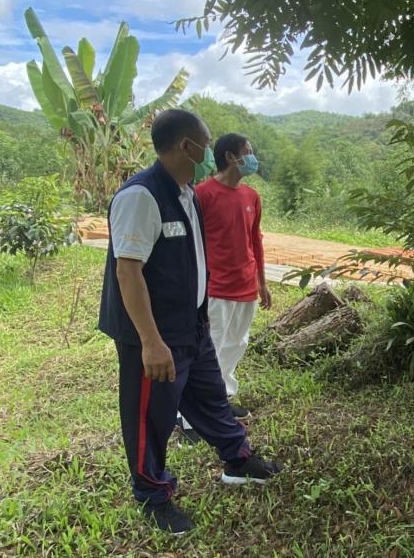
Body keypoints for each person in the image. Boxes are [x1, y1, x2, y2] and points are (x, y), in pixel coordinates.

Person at [98, 109, 282, 535]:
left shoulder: (186, 194)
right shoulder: (141, 196)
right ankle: (152, 494)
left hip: (192, 325)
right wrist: (151, 342)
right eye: (206, 142)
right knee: (151, 417)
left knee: (211, 397)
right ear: (187, 146)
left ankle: (237, 460)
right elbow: (128, 272)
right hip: (156, 335)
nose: (209, 149)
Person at [196, 133, 271, 417]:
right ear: (230, 157)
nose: (252, 158)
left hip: (246, 286)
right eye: (247, 152)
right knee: (211, 347)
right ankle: (198, 409)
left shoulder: (251, 196)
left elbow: (255, 241)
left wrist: (262, 282)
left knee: (236, 344)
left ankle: (222, 397)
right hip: (216, 288)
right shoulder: (203, 194)